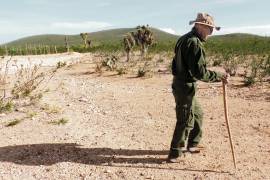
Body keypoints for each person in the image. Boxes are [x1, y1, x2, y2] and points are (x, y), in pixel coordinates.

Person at [168, 12, 229, 163]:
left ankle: (193, 144)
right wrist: (219, 76)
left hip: (182, 84)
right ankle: (175, 153)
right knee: (185, 119)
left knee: (198, 113)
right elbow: (199, 72)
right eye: (209, 28)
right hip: (185, 85)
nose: (211, 32)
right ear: (200, 26)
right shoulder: (194, 43)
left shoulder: (184, 38)